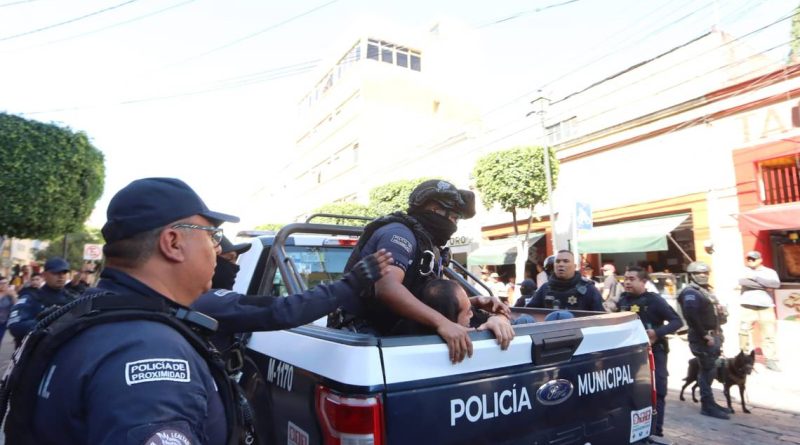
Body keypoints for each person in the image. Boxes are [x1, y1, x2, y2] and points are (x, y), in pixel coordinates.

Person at [335, 179, 512, 363]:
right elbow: (387, 289)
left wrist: (472, 303)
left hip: (393, 324)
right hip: (362, 333)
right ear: (433, 209)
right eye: (451, 217)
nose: (453, 224)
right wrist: (443, 323)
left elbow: (436, 297)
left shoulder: (429, 246)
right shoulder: (398, 234)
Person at [192, 235, 391, 358]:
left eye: (236, 260)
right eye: (226, 260)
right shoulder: (209, 302)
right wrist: (350, 283)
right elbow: (281, 309)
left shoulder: (209, 301)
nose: (234, 267)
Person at [618, 266, 683, 439]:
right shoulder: (622, 300)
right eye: (625, 278)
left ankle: (656, 431)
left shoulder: (654, 301)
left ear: (643, 281)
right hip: (629, 355)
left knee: (657, 391)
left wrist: (657, 333)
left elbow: (677, 321)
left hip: (654, 353)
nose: (627, 282)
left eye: (632, 279)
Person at [677, 261, 730, 420]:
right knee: (707, 370)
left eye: (706, 273)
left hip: (713, 335)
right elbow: (691, 315)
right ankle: (707, 405)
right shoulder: (691, 293)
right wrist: (703, 335)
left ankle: (711, 402)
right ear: (692, 275)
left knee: (710, 369)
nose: (703, 276)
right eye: (699, 273)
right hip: (703, 338)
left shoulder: (705, 291)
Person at [7, 257, 77, 348]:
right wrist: (42, 322)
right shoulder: (31, 298)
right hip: (36, 354)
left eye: (64, 272)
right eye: (56, 272)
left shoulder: (73, 299)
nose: (61, 276)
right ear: (44, 275)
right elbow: (15, 327)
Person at [738, 250, 781, 372]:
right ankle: (744, 358)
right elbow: (743, 282)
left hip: (766, 306)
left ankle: (770, 359)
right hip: (747, 305)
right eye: (749, 259)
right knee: (744, 332)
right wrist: (765, 286)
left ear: (760, 259)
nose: (751, 261)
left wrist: (755, 278)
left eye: (753, 259)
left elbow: (775, 284)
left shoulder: (770, 272)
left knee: (769, 334)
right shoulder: (744, 271)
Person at [526, 250, 604, 311]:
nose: (561, 264)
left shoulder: (589, 290)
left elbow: (600, 318)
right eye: (557, 261)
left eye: (566, 261)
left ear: (574, 266)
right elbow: (530, 313)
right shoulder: (544, 288)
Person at [0, 275, 18, 344]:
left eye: (6, 283)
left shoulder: (10, 293)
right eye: (2, 283)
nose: (4, 285)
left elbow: (17, 305)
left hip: (3, 322)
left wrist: (13, 296)